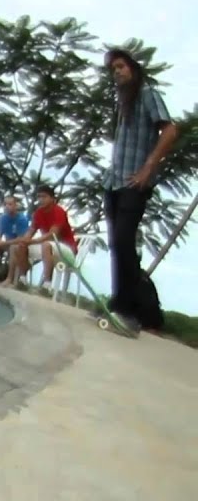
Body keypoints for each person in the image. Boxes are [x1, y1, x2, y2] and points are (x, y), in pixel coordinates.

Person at [101, 48, 180, 331]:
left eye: (121, 66)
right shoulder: (123, 103)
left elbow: (170, 130)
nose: (117, 72)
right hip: (114, 182)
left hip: (135, 182)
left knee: (124, 240)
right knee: (117, 245)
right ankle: (120, 303)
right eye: (113, 69)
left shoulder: (147, 94)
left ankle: (137, 311)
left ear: (133, 68)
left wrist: (148, 167)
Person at [11, 185, 77, 289]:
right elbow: (31, 231)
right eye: (39, 197)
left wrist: (33, 241)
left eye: (44, 196)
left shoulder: (59, 211)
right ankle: (22, 280)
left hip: (67, 250)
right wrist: (25, 240)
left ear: (52, 199)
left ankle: (47, 286)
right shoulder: (38, 213)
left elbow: (53, 234)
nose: (41, 199)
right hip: (49, 247)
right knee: (19, 246)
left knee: (46, 245)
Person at [0, 195, 30, 283]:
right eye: (5, 204)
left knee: (13, 247)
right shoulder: (3, 218)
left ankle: (9, 278)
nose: (7, 207)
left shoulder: (22, 219)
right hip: (7, 244)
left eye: (10, 204)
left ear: (15, 205)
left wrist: (5, 243)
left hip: (19, 246)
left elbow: (21, 238)